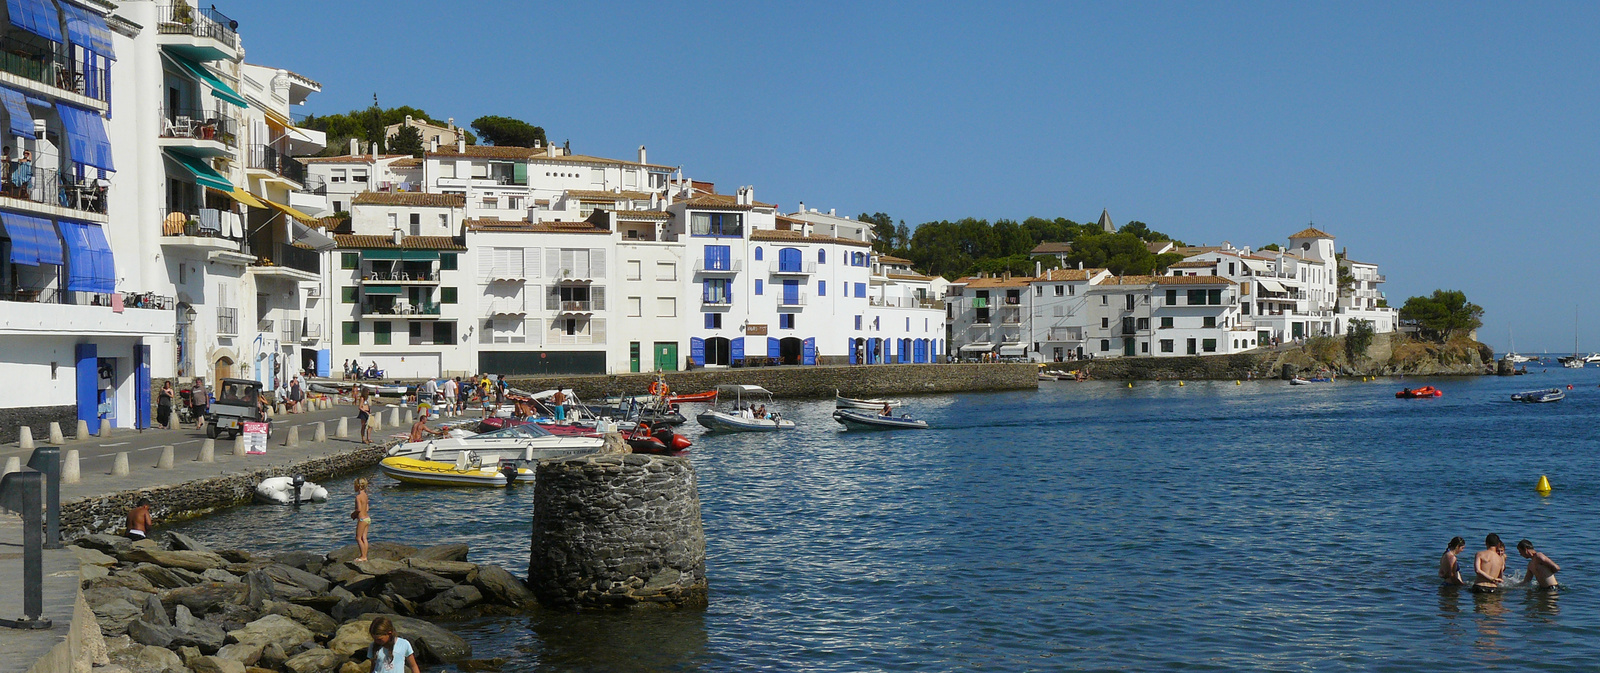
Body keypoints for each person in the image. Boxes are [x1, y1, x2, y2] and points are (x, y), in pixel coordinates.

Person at [351, 478, 370, 562]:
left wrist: (354, 514)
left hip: (362, 519)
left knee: (358, 538)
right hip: (368, 518)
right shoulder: (365, 495)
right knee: (364, 538)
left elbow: (358, 509)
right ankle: (364, 555)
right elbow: (367, 508)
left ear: (358, 486)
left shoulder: (358, 497)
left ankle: (363, 556)